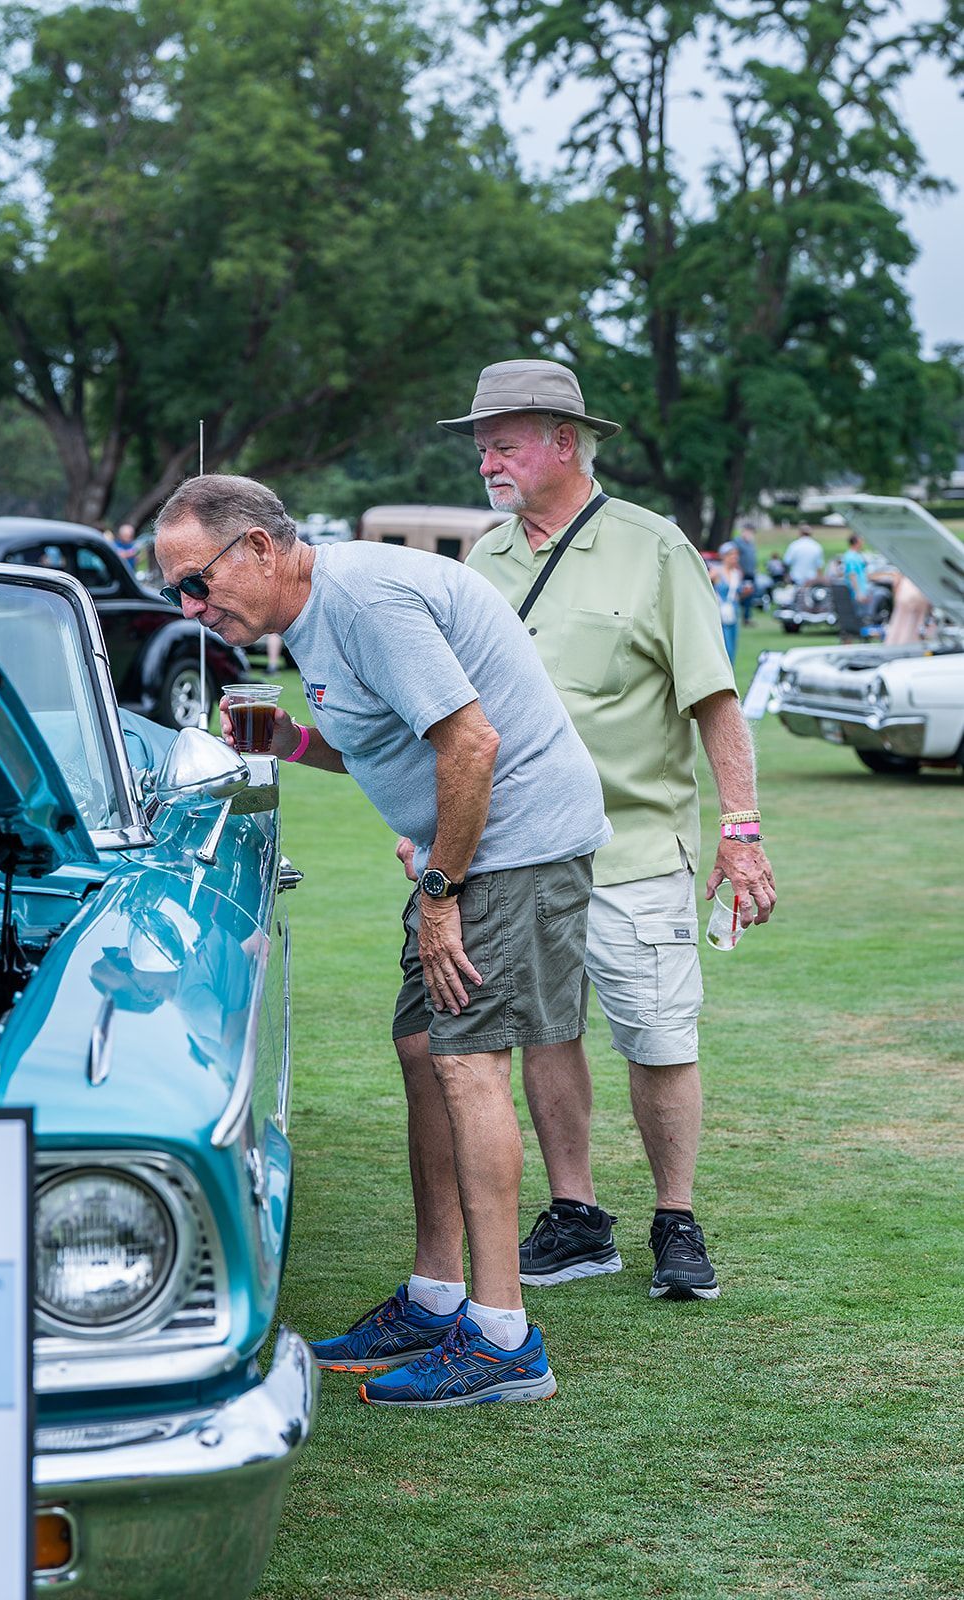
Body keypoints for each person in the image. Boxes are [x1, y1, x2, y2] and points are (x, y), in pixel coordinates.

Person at [154, 472, 611, 1409]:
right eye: (177, 593)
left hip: (510, 852)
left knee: (468, 1064)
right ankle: (436, 1294)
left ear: (259, 549)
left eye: (197, 582)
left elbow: (472, 744)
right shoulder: (318, 614)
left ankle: (502, 1338)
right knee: (420, 1049)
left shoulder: (362, 600)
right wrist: (292, 742)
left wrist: (440, 891)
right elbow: (392, 741)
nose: (192, 607)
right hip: (469, 856)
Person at [436, 358, 776, 1300]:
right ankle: (578, 1216)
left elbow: (713, 697)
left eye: (502, 444)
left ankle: (676, 1216)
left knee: (659, 1037)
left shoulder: (654, 547)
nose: (487, 462)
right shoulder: (484, 559)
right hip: (518, 850)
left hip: (632, 847)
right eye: (480, 447)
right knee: (546, 1034)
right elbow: (459, 710)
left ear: (562, 441)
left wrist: (739, 827)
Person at [713, 544, 743, 663]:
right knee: (724, 646)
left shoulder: (737, 573)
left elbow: (737, 594)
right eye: (732, 554)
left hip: (733, 612)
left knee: (733, 646)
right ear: (724, 556)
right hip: (720, 613)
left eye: (736, 555)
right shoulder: (716, 572)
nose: (735, 557)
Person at [734, 525, 759, 623]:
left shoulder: (751, 544)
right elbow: (734, 558)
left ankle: (747, 617)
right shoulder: (737, 543)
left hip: (750, 574)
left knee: (749, 595)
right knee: (739, 595)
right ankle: (737, 615)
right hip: (741, 574)